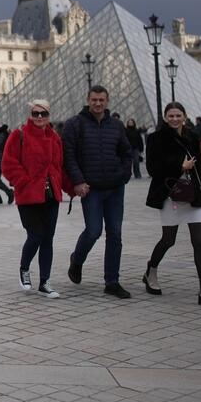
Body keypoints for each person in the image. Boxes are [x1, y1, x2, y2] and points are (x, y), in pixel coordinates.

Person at [143, 103, 201, 309]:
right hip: (170, 195)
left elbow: (200, 169)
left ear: (185, 116)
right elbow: (153, 168)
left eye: (178, 115)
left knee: (199, 241)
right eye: (170, 115)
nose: (174, 119)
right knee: (168, 239)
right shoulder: (155, 138)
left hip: (192, 195)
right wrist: (180, 166)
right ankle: (150, 270)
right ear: (164, 117)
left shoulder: (192, 136)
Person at [63, 85, 134, 298]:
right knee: (93, 231)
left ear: (107, 101)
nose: (98, 103)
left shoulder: (116, 125)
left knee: (115, 234)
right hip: (91, 188)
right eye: (94, 99)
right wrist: (78, 181)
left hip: (115, 187)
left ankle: (112, 281)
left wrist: (124, 174)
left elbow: (126, 152)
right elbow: (69, 156)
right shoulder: (74, 124)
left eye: (101, 100)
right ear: (87, 99)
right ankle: (77, 259)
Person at [1, 100, 65, 298]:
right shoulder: (19, 135)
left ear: (49, 115)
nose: (39, 117)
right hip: (29, 196)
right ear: (30, 114)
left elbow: (59, 166)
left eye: (43, 113)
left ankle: (45, 282)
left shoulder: (54, 137)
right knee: (36, 235)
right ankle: (24, 269)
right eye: (35, 113)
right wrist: (24, 182)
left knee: (48, 239)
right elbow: (8, 163)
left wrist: (72, 187)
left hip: (51, 195)